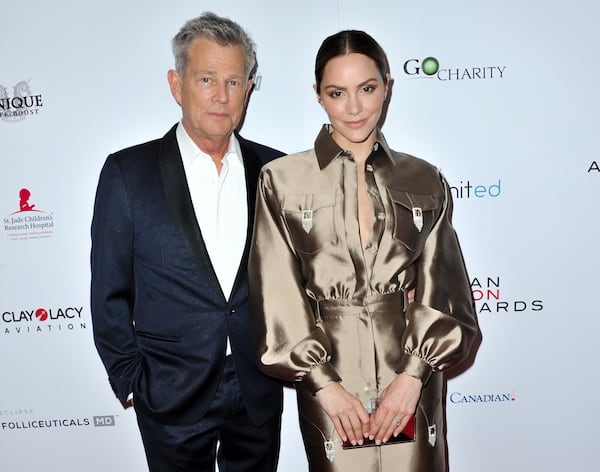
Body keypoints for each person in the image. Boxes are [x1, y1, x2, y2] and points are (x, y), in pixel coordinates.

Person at [249, 30, 479, 471]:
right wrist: (324, 386)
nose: (354, 108)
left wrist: (413, 377)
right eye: (337, 93)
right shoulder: (280, 180)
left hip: (411, 377)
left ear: (387, 85)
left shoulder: (423, 177)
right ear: (318, 95)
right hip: (329, 386)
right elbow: (275, 293)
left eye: (367, 89)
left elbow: (444, 288)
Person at [90, 12, 284, 472]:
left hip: (258, 383)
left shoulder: (276, 171)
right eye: (207, 79)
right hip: (170, 390)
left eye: (235, 81)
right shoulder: (127, 174)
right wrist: (132, 380)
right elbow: (109, 292)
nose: (222, 95)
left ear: (249, 89)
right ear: (177, 85)